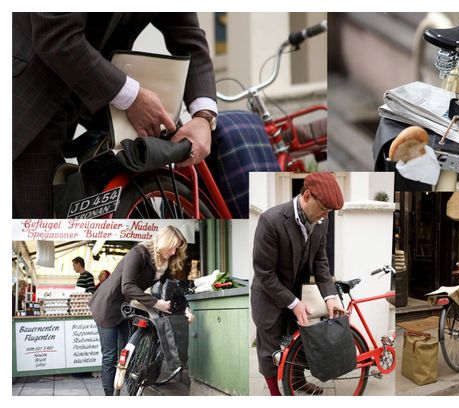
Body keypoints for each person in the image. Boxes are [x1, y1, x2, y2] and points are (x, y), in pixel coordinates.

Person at [13, 12, 279, 219]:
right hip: (23, 94)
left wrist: (203, 116)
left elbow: (188, 38)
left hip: (82, 90)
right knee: (38, 222)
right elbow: (57, 37)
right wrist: (132, 97)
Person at [251, 172, 346, 396]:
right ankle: (276, 394)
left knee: (298, 344)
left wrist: (330, 297)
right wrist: (293, 303)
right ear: (306, 196)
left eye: (329, 212)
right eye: (322, 209)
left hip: (297, 293)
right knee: (270, 349)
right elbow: (264, 272)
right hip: (268, 294)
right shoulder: (270, 221)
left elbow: (320, 259)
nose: (324, 216)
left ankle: (298, 382)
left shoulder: (322, 218)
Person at [88, 226, 194, 396]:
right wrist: (157, 303)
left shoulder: (163, 264)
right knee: (110, 355)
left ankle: (131, 395)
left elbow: (172, 290)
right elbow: (128, 286)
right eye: (173, 246)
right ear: (163, 241)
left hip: (124, 309)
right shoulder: (138, 253)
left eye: (177, 248)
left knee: (126, 355)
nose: (174, 251)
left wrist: (185, 309)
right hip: (107, 305)